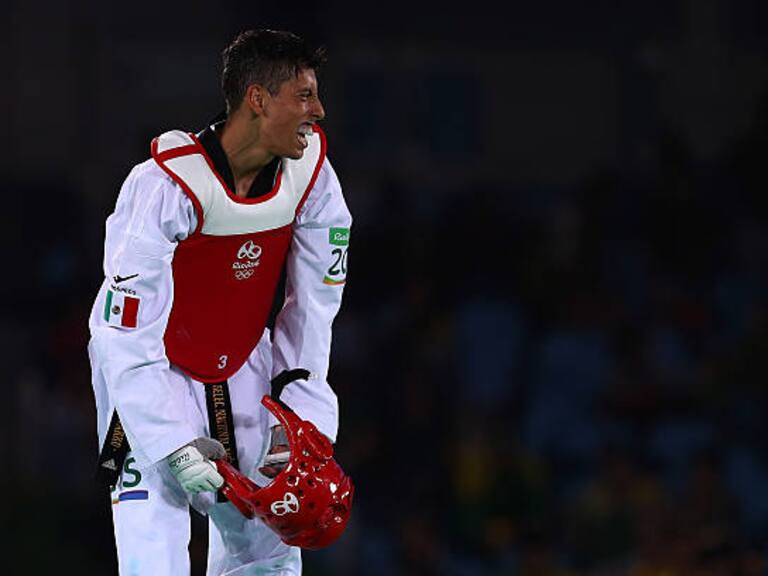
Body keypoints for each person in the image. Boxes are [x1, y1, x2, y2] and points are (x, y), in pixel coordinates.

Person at [88, 29, 351, 575]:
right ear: (258, 98)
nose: (318, 111)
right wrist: (170, 443)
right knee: (152, 555)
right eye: (303, 96)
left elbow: (315, 306)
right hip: (147, 375)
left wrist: (300, 410)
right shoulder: (165, 186)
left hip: (242, 368)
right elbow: (122, 333)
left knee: (269, 551)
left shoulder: (311, 175)